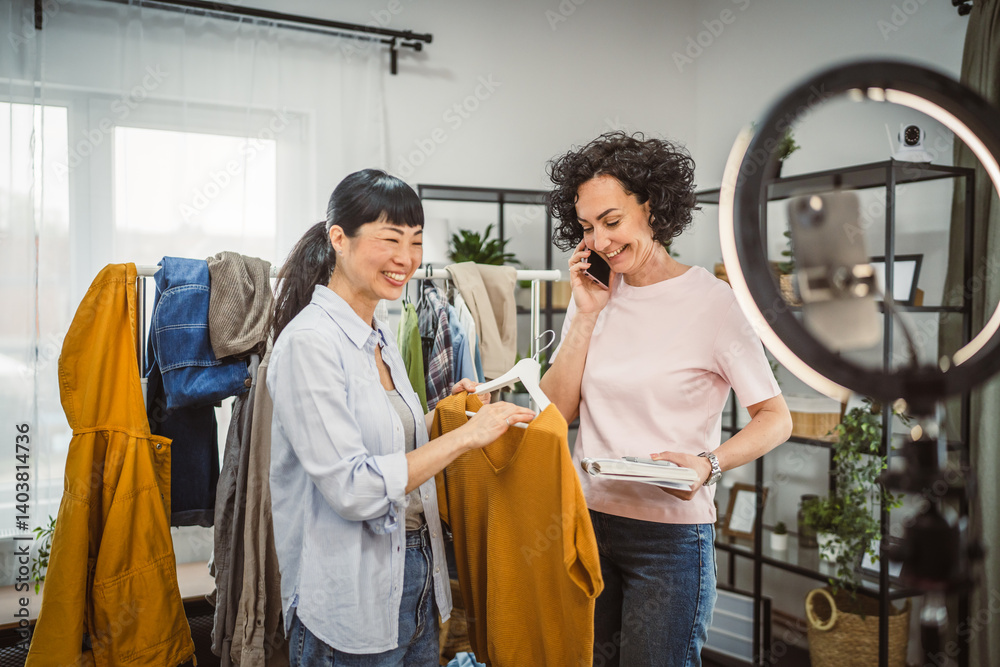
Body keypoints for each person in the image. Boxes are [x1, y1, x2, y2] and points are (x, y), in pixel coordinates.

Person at [539, 132, 793, 667]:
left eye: (612, 221)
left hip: (669, 542)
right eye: (587, 228)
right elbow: (556, 411)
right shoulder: (597, 296)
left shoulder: (713, 304)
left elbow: (776, 419)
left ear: (651, 206)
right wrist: (585, 313)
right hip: (588, 522)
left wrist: (708, 463)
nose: (602, 242)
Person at [267, 169, 535, 666]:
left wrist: (446, 415)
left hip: (415, 578)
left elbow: (388, 440)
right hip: (349, 595)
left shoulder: (380, 333)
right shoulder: (310, 344)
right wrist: (465, 439)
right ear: (339, 239)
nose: (406, 259)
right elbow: (353, 487)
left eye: (414, 242)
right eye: (390, 239)